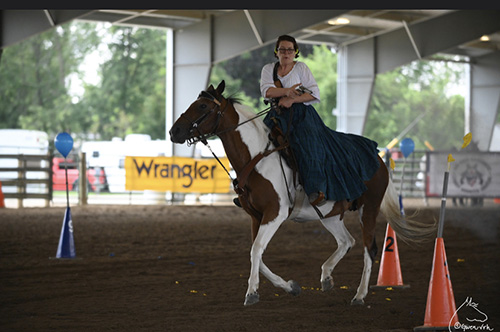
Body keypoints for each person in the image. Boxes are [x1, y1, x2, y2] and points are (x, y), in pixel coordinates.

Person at [260, 35, 381, 207]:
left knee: (308, 143)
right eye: (282, 49)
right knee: (258, 141)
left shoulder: (301, 67)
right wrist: (288, 91)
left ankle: (316, 190)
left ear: (295, 52)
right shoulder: (268, 69)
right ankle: (250, 188)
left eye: (290, 50)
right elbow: (267, 92)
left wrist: (292, 99)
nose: (286, 53)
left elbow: (314, 93)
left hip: (301, 114)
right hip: (276, 113)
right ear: (276, 52)